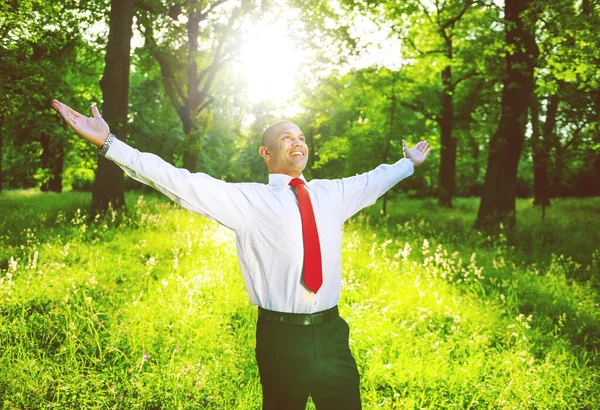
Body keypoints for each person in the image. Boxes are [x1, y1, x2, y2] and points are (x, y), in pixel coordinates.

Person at [52, 99, 431, 409]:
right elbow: (175, 179)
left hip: (333, 333)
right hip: (281, 337)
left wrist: (408, 163)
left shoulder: (333, 193)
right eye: (286, 138)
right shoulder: (248, 200)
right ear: (266, 152)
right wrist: (109, 144)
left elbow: (376, 178)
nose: (298, 142)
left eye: (301, 137)